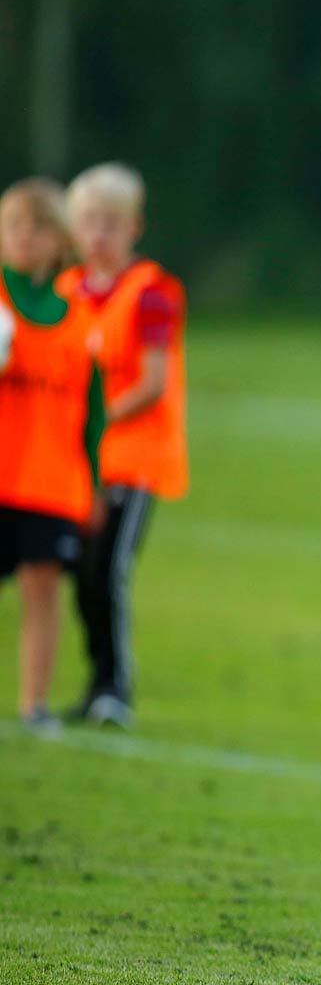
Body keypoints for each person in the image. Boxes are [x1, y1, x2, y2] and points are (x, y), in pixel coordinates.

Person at [56, 163, 189, 729]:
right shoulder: (64, 293)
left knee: (109, 568)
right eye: (88, 222)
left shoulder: (151, 294)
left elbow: (152, 381)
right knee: (80, 571)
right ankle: (95, 683)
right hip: (73, 463)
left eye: (111, 223)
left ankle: (115, 687)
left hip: (133, 458)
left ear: (134, 227)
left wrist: (94, 419)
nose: (98, 234)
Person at [0, 177, 104, 735]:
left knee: (43, 592)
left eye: (38, 228)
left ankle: (33, 704)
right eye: (13, 225)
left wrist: (91, 482)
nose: (24, 238)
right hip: (1, 475)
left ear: (60, 239)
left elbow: (93, 412)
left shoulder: (78, 318)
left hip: (52, 482)